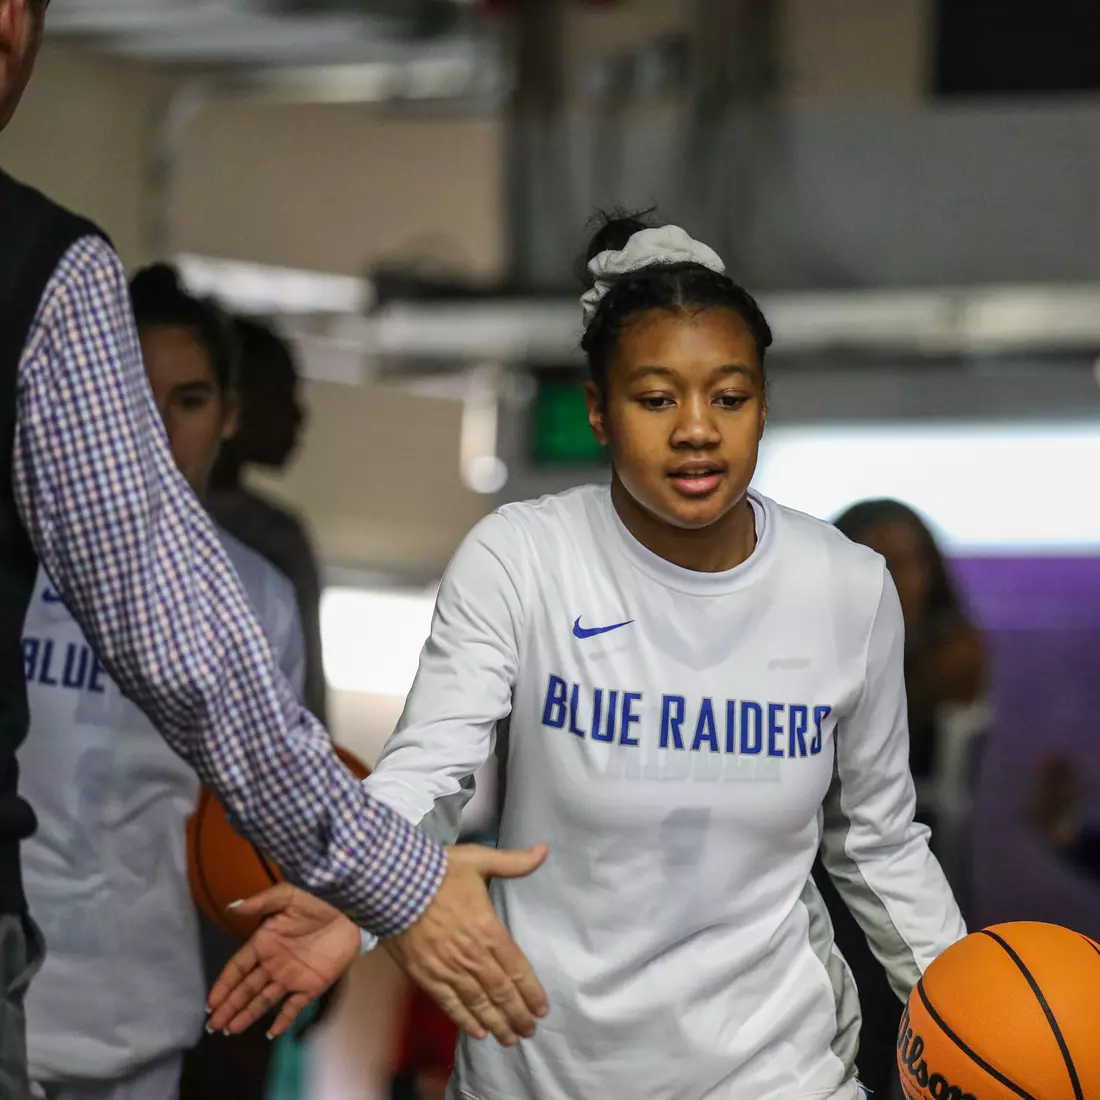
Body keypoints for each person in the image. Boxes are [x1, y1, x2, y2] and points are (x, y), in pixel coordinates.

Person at [207, 213, 967, 1100]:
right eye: (656, 399)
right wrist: (355, 896)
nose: (696, 429)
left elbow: (877, 842)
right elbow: (432, 771)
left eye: (729, 397)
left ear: (763, 404)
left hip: (774, 1071)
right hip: (544, 1066)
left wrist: (968, 1012)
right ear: (599, 412)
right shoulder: (524, 557)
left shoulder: (846, 586)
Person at [0, 4, 547, 1096]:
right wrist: (392, 876)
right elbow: (172, 626)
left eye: (191, 398)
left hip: (139, 1014)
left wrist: (339, 905)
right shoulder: (34, 272)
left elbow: (229, 742)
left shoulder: (258, 578)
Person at [18, 264, 306, 1100]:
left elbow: (275, 828)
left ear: (229, 416)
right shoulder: (19, 559)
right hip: (12, 1002)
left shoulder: (257, 601)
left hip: (144, 1018)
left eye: (188, 401)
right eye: (136, 399)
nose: (160, 429)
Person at [818, 499, 989, 1099]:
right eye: (875, 560)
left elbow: (950, 794)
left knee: (925, 1057)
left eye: (909, 562)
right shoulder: (806, 666)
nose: (892, 578)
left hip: (926, 883)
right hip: (819, 899)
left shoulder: (953, 656)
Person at [207, 318, 329, 727]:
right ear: (231, 403)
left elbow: (302, 707)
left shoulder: (277, 538)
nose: (299, 415)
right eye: (281, 395)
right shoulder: (274, 542)